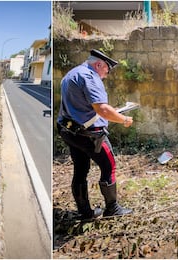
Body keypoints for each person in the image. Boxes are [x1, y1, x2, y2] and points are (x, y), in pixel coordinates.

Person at [57, 49, 133, 220]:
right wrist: (124, 119)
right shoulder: (90, 77)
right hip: (90, 135)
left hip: (70, 131)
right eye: (107, 69)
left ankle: (85, 212)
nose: (106, 74)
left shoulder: (72, 74)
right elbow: (103, 109)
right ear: (98, 64)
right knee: (109, 166)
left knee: (80, 169)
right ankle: (112, 208)